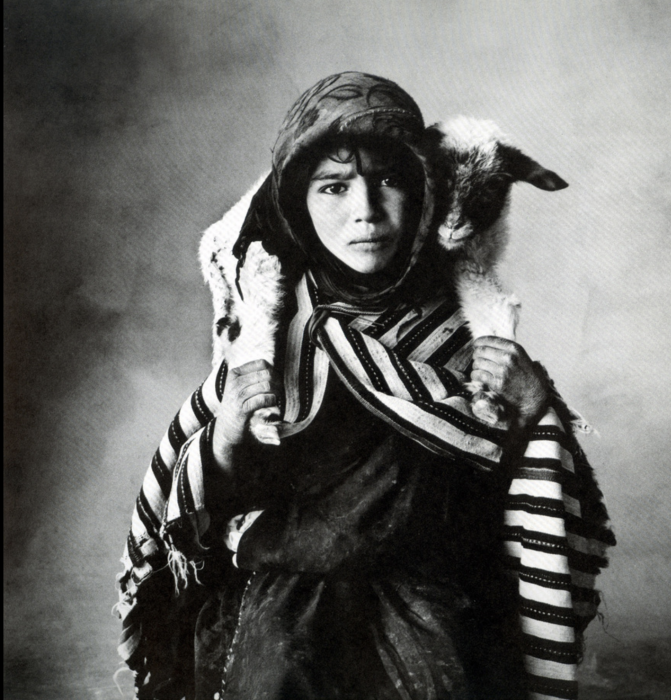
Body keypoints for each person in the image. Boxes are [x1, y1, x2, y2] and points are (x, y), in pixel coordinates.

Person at [116, 72, 614, 700]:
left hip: (430, 596)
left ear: (426, 191)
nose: (366, 210)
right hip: (287, 597)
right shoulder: (272, 335)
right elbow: (207, 506)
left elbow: (519, 483)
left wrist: (528, 401)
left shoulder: (462, 329)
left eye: (388, 180)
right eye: (334, 186)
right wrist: (226, 439)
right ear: (297, 203)